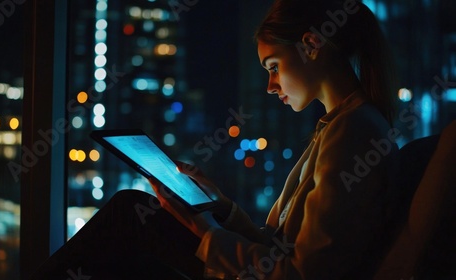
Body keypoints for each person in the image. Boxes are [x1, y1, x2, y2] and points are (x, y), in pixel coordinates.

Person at [31, 0, 401, 279]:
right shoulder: (340, 127)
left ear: (311, 44)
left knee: (130, 215)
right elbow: (279, 246)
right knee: (129, 227)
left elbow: (303, 273)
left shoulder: (354, 133)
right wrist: (221, 208)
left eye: (274, 67)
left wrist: (206, 232)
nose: (271, 86)